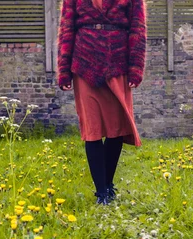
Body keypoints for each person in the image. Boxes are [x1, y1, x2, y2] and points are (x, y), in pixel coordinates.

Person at [57, 0, 147, 205]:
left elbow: (138, 29)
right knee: (92, 129)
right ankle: (101, 193)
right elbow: (66, 29)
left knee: (116, 128)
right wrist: (63, 69)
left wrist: (136, 67)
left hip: (118, 63)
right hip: (84, 64)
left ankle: (108, 184)